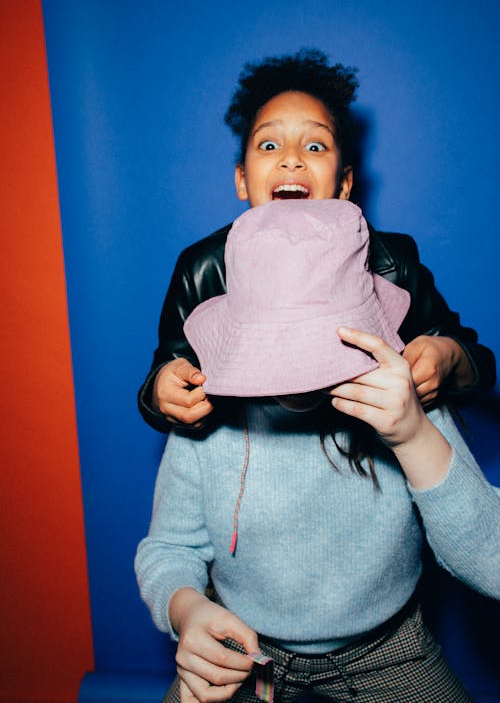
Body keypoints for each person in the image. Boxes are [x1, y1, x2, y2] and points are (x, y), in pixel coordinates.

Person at [135, 200, 500, 703]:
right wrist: (186, 609)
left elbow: (493, 563)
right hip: (248, 650)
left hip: (389, 649)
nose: (294, 368)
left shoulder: (402, 403)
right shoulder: (205, 411)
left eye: (314, 341)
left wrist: (413, 434)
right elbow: (169, 549)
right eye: (273, 342)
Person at [137, 49, 496, 433]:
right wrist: (163, 394)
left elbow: (478, 364)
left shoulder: (392, 263)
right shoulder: (203, 269)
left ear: (344, 183)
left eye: (315, 146)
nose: (292, 159)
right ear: (242, 179)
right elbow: (168, 370)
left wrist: (449, 360)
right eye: (270, 145)